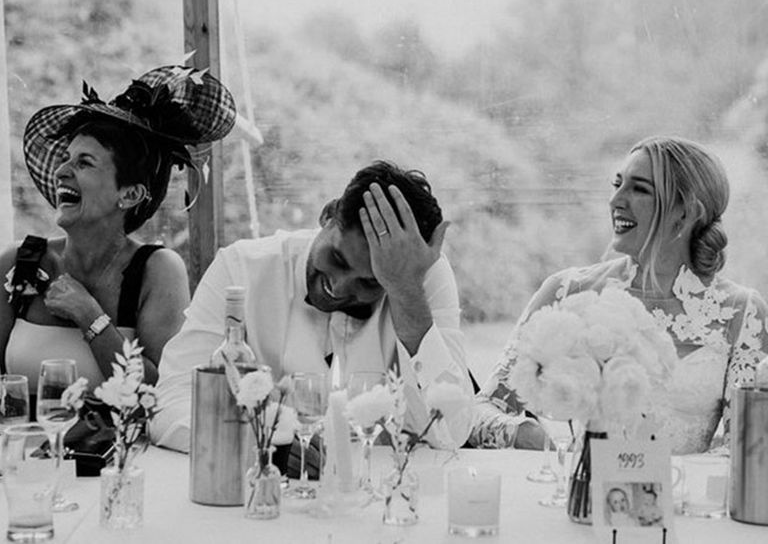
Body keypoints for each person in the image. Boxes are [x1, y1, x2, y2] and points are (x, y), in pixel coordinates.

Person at [469, 136, 768, 453]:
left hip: (682, 498)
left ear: (686, 212)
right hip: (588, 494)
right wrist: (527, 434)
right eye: (617, 185)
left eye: (639, 189)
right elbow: (479, 411)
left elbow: (750, 447)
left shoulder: (741, 311)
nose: (615, 201)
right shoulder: (568, 290)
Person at [151, 161, 473, 452]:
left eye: (371, 282)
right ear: (327, 216)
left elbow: (451, 432)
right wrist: (276, 440)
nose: (341, 287)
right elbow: (171, 403)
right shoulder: (240, 269)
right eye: (337, 259)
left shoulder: (418, 281)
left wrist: (406, 292)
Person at [0, 65, 237, 393]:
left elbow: (161, 387)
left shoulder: (157, 270)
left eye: (84, 163)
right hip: (26, 442)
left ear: (129, 194)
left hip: (125, 446)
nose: (61, 171)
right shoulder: (18, 262)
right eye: (66, 159)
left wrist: (89, 315)